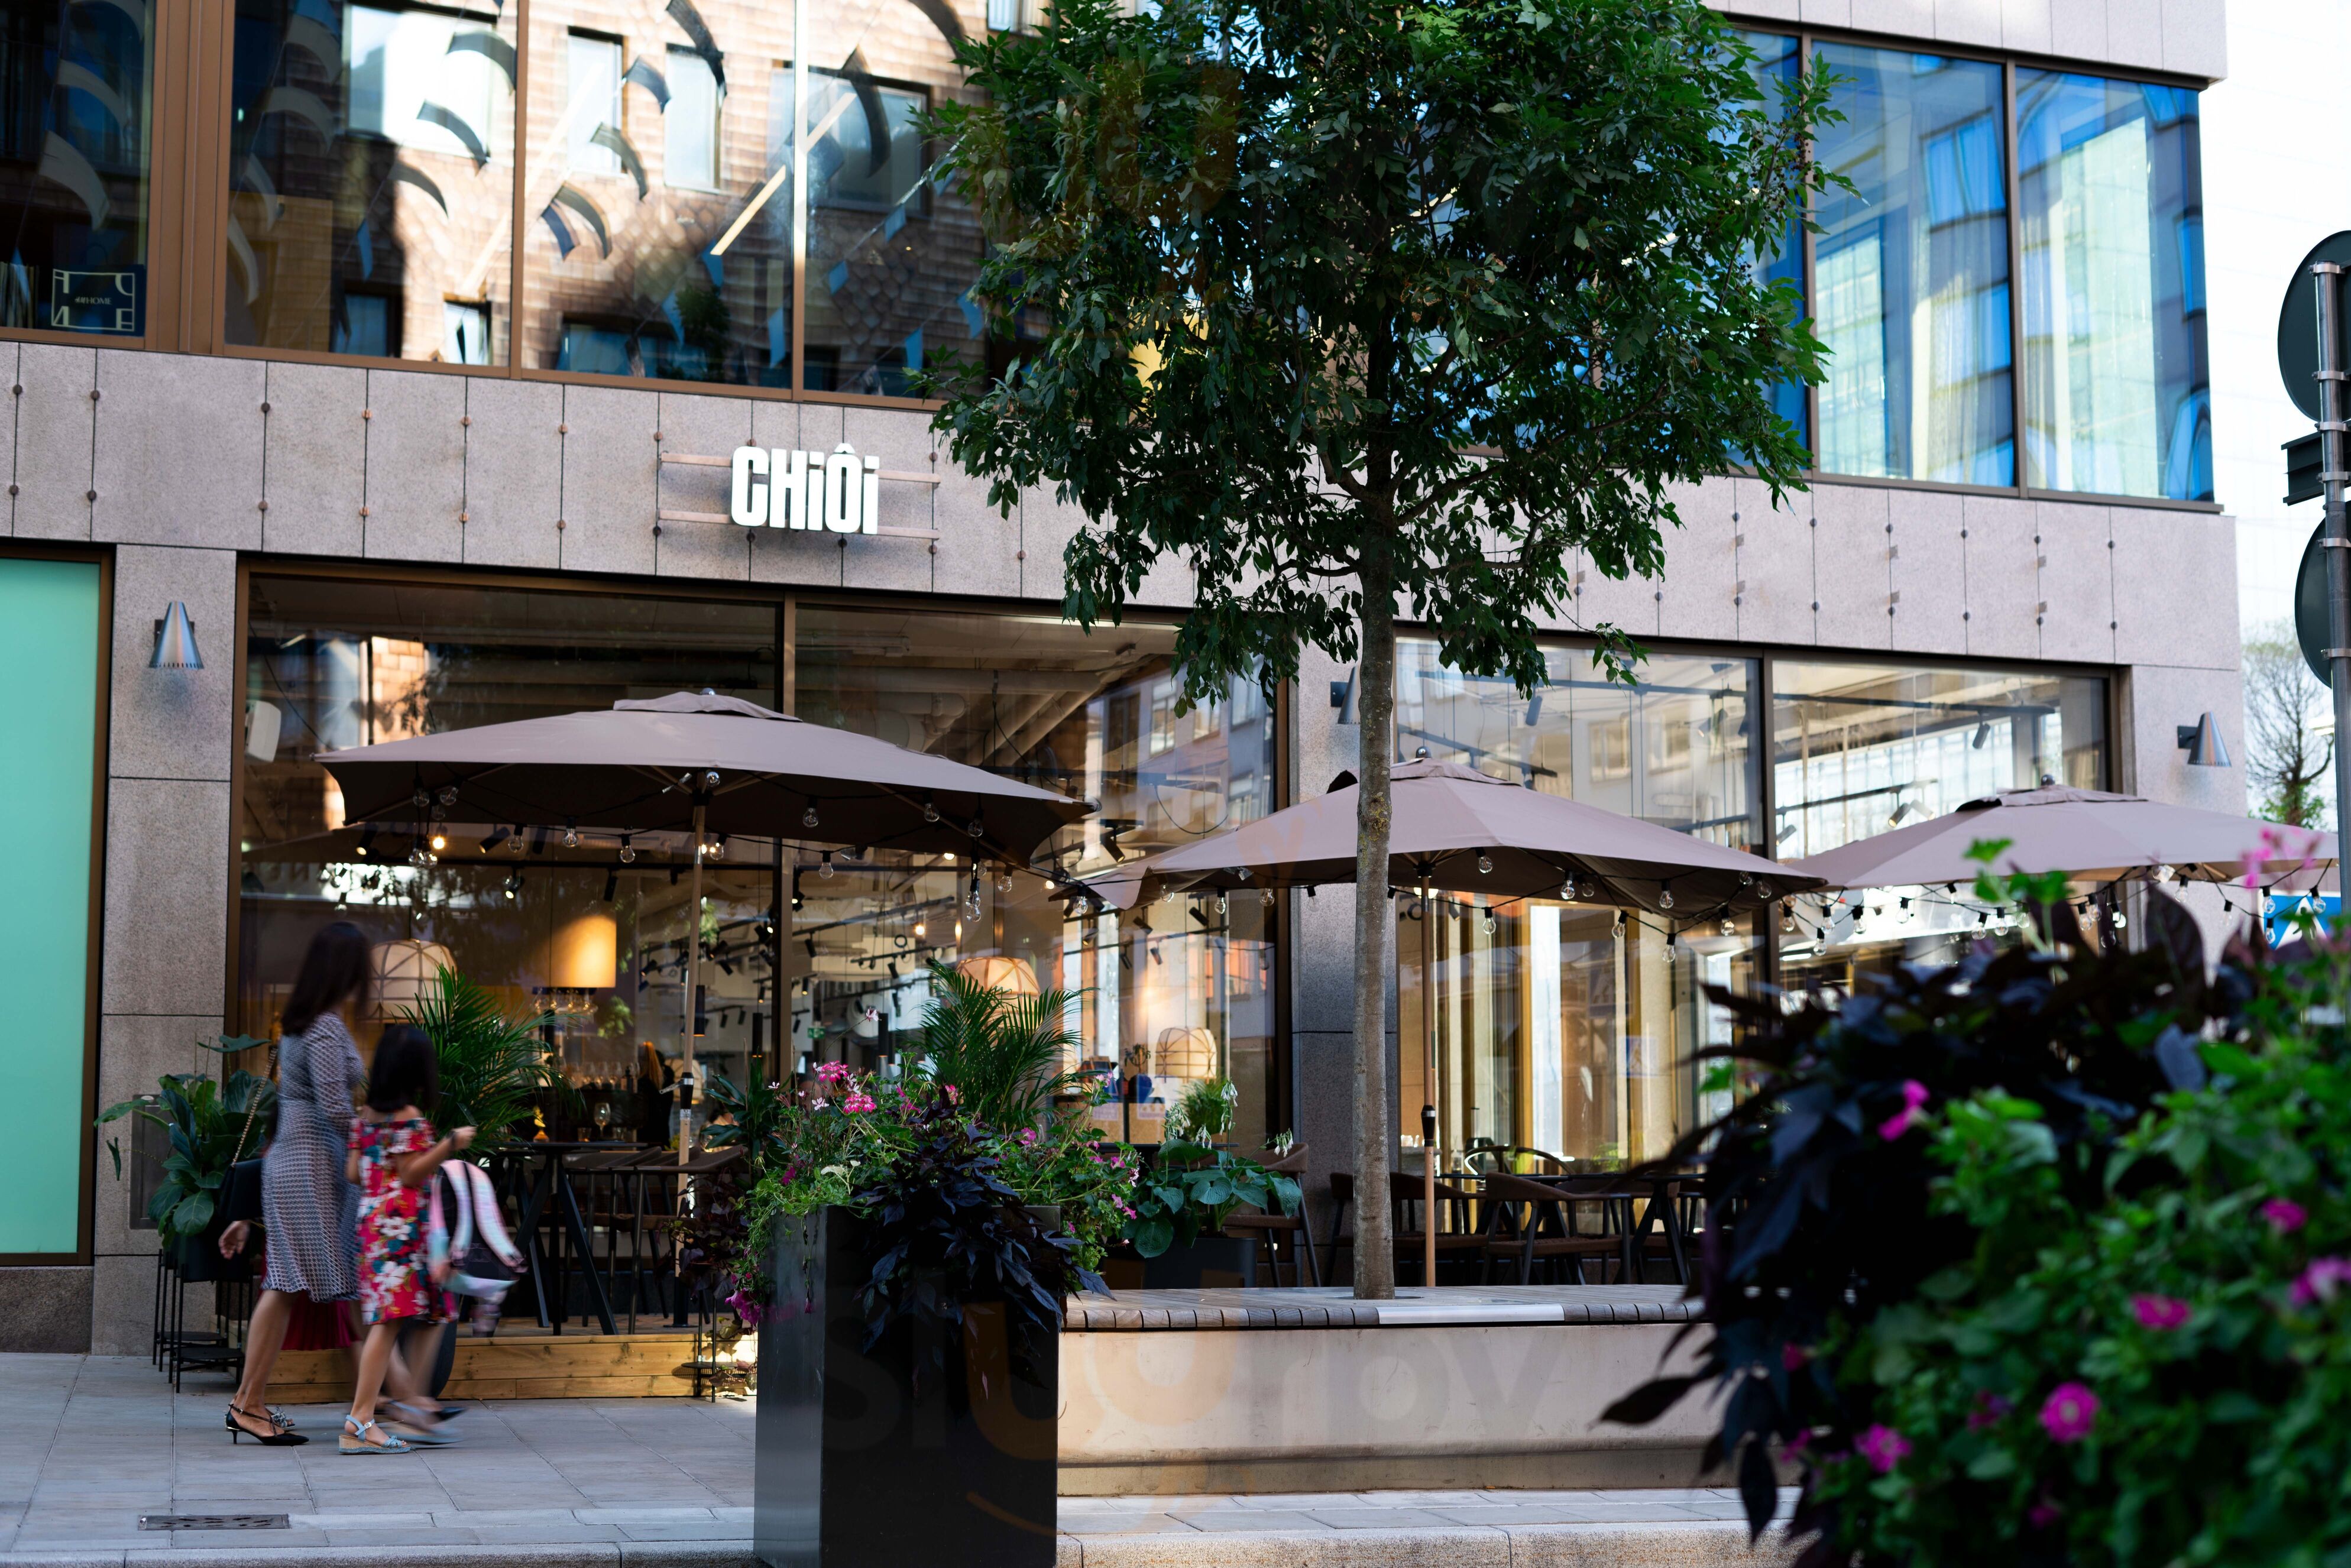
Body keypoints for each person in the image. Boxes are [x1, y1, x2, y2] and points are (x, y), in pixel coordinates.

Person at [218, 921, 372, 1446]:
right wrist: (379, 1142)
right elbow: (334, 1106)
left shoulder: (300, 1025)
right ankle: (251, 1404)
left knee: (284, 1284)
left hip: (295, 1161)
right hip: (310, 1166)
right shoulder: (324, 1027)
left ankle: (249, 1402)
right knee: (295, 1284)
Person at [340, 1025, 474, 1456]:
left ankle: (405, 1408)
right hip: (400, 1229)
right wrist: (450, 1143)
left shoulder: (365, 1116)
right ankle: (361, 1421)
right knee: (387, 1326)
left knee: (407, 1316)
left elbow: (353, 1173)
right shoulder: (410, 1117)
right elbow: (412, 1173)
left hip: (372, 1226)